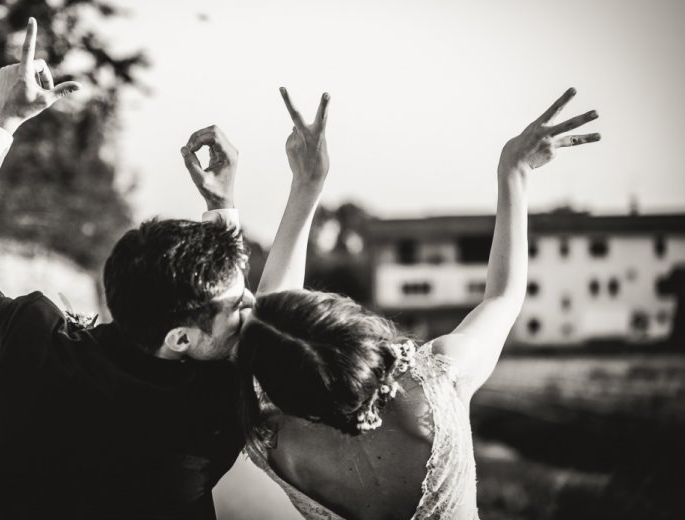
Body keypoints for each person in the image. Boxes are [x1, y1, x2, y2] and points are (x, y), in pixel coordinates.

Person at [0, 18, 254, 519]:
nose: (254, 309)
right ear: (179, 338)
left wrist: (2, 119)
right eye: (239, 307)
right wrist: (224, 206)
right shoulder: (217, 407)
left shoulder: (25, 343)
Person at [237, 87, 601, 520]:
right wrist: (513, 172)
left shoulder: (271, 439)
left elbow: (272, 329)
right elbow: (503, 297)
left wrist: (306, 186)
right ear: (357, 328)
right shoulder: (435, 391)